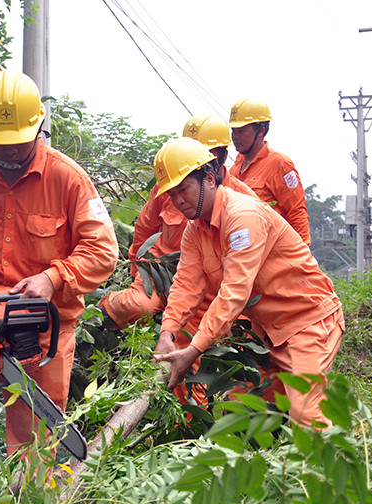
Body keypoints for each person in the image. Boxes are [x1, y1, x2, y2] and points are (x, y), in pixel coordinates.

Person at [0, 70, 118, 456]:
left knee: (34, 444)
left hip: (41, 329)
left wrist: (53, 278)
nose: (11, 153)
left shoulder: (68, 179)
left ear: (38, 127)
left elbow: (102, 252)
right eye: (1, 145)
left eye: (18, 144)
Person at [151, 137, 344, 428]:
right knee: (241, 415)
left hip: (307, 322)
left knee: (306, 415)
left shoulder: (242, 218)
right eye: (172, 194)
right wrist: (168, 330)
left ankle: (345, 469)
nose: (179, 201)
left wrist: (194, 349)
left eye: (184, 189)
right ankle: (272, 471)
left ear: (210, 178)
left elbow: (234, 293)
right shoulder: (195, 230)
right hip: (267, 333)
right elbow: (185, 285)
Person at [97, 114, 256, 406]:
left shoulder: (240, 201)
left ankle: (193, 419)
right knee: (136, 304)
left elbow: (238, 280)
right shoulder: (168, 187)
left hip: (207, 285)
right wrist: (138, 271)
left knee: (195, 350)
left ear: (220, 158)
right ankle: (93, 322)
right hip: (161, 272)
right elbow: (145, 228)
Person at [228, 97, 311, 245]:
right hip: (245, 253)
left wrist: (302, 255)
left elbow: (296, 212)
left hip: (275, 252)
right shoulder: (234, 170)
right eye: (233, 131)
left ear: (261, 131)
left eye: (241, 131)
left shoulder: (280, 165)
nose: (235, 137)